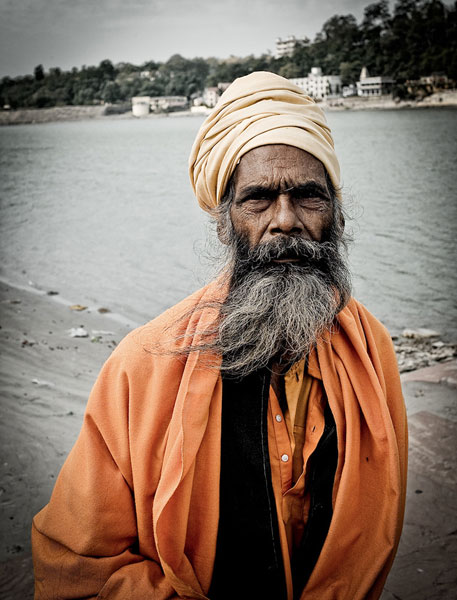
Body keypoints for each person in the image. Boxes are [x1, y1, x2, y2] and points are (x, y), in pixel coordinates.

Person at [32, 72, 408, 600]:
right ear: (224, 220)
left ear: (336, 214)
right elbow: (76, 564)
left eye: (308, 196)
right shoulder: (144, 364)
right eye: (258, 198)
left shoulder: (370, 352)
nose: (286, 220)